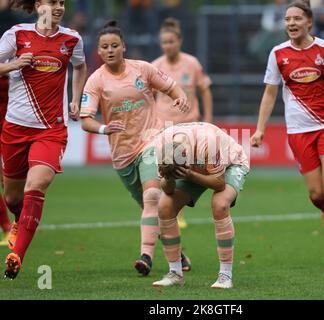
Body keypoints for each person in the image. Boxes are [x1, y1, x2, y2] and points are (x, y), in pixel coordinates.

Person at [250, 0, 324, 271]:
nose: (291, 23)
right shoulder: (278, 53)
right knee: (316, 194)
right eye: (287, 19)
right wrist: (260, 129)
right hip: (298, 131)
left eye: (297, 18)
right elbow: (270, 93)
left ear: (309, 22)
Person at [80, 21, 191, 277]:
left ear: (123, 47)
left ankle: (146, 257)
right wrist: (103, 129)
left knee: (153, 198)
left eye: (115, 45)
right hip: (122, 155)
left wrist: (180, 97)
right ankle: (178, 253)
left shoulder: (142, 69)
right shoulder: (96, 81)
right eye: (105, 47)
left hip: (151, 142)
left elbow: (171, 86)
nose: (110, 50)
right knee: (152, 210)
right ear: (98, 51)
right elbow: (85, 120)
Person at [0, 0, 87, 279]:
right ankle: (17, 220)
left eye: (62, 2)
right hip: (14, 128)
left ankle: (17, 256)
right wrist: (14, 64)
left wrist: (75, 99)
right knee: (13, 196)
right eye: (53, 2)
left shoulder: (72, 38)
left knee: (36, 185)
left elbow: (80, 67)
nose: (58, 7)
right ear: (39, 5)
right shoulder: (16, 35)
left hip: (51, 130)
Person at [152, 122, 249, 289]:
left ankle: (225, 276)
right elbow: (168, 190)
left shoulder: (208, 142)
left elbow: (218, 184)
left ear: (188, 155)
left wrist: (189, 174)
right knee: (164, 207)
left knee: (220, 204)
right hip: (195, 169)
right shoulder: (162, 145)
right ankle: (175, 273)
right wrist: (169, 177)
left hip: (231, 163)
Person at [152, 17, 213, 228]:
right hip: (164, 127)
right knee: (166, 170)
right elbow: (148, 98)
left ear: (179, 41)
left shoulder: (192, 63)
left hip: (189, 126)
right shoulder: (155, 67)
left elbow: (204, 91)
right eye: (164, 42)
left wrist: (208, 120)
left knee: (185, 170)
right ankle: (168, 210)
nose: (168, 46)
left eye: (171, 41)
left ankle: (177, 211)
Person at [0, 74, 11, 246]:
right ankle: (7, 227)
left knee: (7, 182)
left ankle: (18, 225)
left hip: (10, 126)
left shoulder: (14, 50)